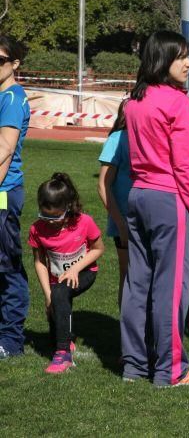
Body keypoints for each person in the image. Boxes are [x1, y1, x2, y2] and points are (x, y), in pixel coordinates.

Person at [120, 30, 189, 387]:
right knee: (170, 288)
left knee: (137, 284)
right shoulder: (177, 101)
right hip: (167, 199)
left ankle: (133, 366)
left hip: (137, 196)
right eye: (181, 57)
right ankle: (171, 371)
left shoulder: (134, 99)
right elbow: (184, 164)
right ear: (162, 60)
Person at [29, 173, 104, 374]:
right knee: (56, 300)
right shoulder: (37, 229)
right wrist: (47, 295)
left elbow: (98, 249)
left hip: (85, 272)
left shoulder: (84, 222)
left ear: (68, 208)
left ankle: (63, 355)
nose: (51, 221)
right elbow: (39, 262)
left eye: (56, 217)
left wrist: (75, 269)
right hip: (56, 279)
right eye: (45, 216)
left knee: (61, 293)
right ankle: (62, 340)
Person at [0, 35, 30, 360]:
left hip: (3, 195)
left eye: (1, 60)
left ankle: (10, 339)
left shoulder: (11, 98)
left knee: (7, 267)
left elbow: (4, 149)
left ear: (15, 64)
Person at [97, 99, 131, 307]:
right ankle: (128, 332)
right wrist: (120, 224)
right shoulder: (117, 139)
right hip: (125, 222)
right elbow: (103, 185)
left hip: (149, 218)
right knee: (128, 276)